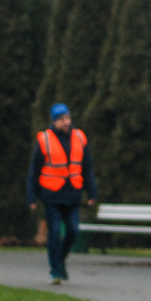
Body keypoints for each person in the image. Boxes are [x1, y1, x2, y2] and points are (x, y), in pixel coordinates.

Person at [27, 103, 97, 285]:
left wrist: (92, 192)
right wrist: (32, 196)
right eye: (61, 120)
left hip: (73, 193)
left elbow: (87, 168)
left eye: (67, 118)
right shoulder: (45, 139)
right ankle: (55, 271)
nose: (66, 122)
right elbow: (34, 170)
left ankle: (60, 259)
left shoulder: (80, 137)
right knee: (55, 232)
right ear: (54, 121)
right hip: (51, 194)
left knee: (73, 230)